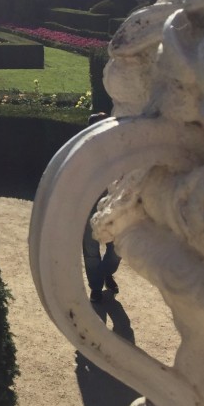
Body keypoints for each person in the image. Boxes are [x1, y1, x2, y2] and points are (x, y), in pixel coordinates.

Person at [83, 112, 120, 303]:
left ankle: (105, 273)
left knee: (117, 249)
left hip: (113, 207)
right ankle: (96, 287)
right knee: (91, 252)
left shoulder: (117, 149)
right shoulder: (82, 153)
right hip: (89, 208)